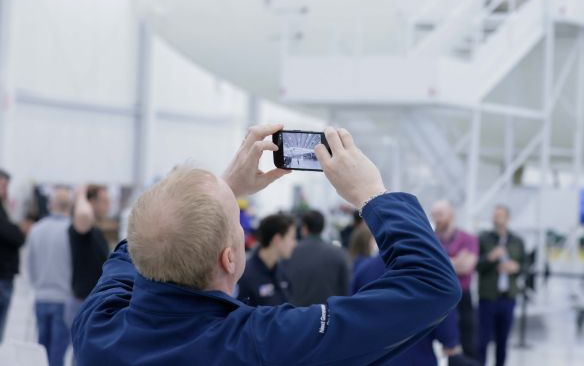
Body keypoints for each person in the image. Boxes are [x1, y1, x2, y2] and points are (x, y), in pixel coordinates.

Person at [72, 125, 461, 365]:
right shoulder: (261, 345)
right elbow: (432, 285)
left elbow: (141, 246)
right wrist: (373, 194)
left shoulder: (97, 329)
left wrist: (216, 195)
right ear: (230, 259)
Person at [351, 244, 467, 366]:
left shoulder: (363, 270)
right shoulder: (431, 273)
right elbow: (447, 333)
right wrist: (451, 342)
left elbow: (353, 322)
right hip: (417, 359)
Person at [27, 186, 73, 366]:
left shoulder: (36, 229)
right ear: (69, 206)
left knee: (41, 350)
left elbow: (30, 264)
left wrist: (37, 285)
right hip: (63, 299)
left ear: (50, 205)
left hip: (41, 297)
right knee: (57, 355)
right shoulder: (72, 232)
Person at [477, 204, 525, 366]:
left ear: (508, 218)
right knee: (482, 341)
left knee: (503, 342)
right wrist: (491, 257)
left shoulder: (517, 241)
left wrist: (516, 267)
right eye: (495, 215)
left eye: (501, 215)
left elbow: (525, 265)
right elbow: (476, 265)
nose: (497, 218)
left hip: (508, 298)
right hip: (488, 297)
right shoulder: (483, 238)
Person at [431, 199, 479, 358]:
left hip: (463, 298)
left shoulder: (468, 238)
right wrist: (455, 261)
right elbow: (427, 267)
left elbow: (467, 266)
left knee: (468, 344)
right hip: (438, 296)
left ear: (451, 215)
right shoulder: (430, 240)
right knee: (447, 346)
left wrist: (439, 262)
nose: (437, 218)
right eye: (434, 215)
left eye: (440, 214)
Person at [284, 208, 350, 306]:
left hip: (296, 315)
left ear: (304, 228)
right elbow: (346, 289)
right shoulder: (339, 253)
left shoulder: (289, 253)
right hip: (328, 316)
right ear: (322, 227)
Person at [68, 184, 110, 325]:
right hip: (83, 302)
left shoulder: (95, 231)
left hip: (94, 301)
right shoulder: (82, 230)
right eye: (104, 201)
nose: (108, 206)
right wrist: (81, 194)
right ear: (91, 202)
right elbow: (84, 215)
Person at [237, 213, 296, 307]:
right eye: (292, 238)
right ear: (277, 239)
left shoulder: (281, 272)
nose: (294, 244)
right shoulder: (245, 275)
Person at [0, 169, 29, 341]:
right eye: (2, 184)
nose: (6, 189)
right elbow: (14, 236)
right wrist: (19, 230)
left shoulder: (4, 209)